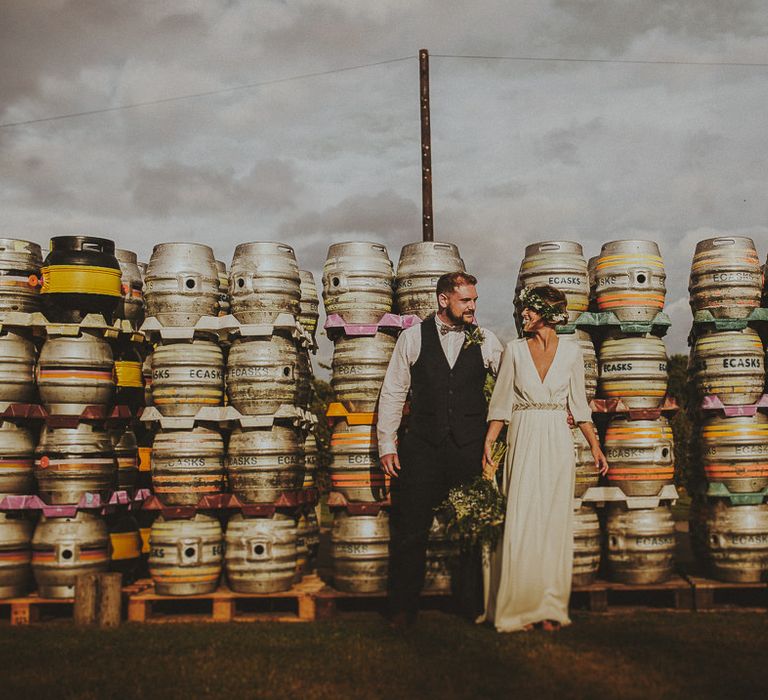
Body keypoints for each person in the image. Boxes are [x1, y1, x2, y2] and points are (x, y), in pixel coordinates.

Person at [378, 271, 503, 627]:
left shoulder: (485, 339)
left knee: (471, 529)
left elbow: (510, 380)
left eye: (475, 300)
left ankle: (470, 604)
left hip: (468, 448)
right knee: (410, 530)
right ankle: (403, 607)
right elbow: (393, 391)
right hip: (422, 449)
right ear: (443, 299)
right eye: (466, 300)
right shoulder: (412, 337)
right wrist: (387, 444)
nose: (473, 307)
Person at [482, 284, 608, 633]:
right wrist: (489, 445)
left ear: (548, 314)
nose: (524, 313)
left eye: (531, 308)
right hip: (523, 434)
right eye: (523, 307)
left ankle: (549, 607)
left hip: (556, 439)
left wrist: (594, 446)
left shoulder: (571, 353)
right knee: (522, 519)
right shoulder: (514, 351)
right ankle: (518, 607)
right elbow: (501, 404)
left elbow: (580, 407)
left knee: (553, 524)